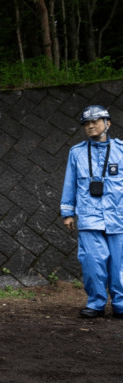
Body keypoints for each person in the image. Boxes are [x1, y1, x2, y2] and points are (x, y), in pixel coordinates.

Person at [60, 105, 123, 319]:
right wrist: (68, 212)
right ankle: (96, 303)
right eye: (86, 123)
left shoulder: (121, 150)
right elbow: (70, 183)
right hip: (89, 216)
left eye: (96, 121)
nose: (91, 126)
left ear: (108, 123)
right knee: (92, 262)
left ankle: (120, 303)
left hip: (119, 217)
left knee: (120, 263)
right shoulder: (76, 152)